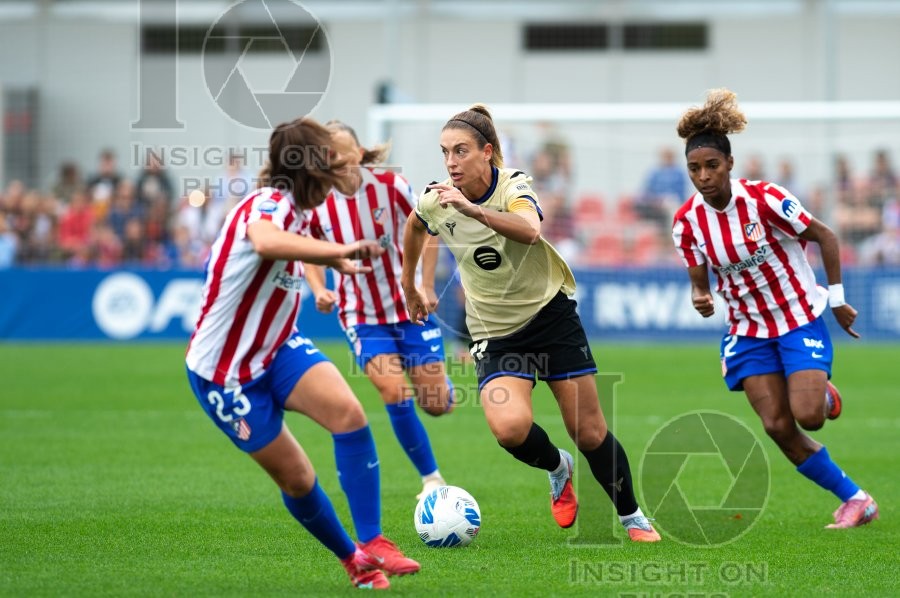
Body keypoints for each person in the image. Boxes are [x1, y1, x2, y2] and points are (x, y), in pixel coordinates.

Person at [400, 103, 661, 543]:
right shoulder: (436, 198)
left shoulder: (514, 185)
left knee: (589, 429)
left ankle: (632, 516)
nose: (450, 162)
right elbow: (415, 228)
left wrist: (473, 209)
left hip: (550, 316)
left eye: (460, 151)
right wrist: (413, 284)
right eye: (445, 152)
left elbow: (529, 230)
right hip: (494, 333)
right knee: (509, 429)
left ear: (487, 152)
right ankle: (559, 468)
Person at [185, 116, 420, 590]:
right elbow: (267, 241)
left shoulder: (302, 210)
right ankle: (352, 559)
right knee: (297, 478)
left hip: (277, 348)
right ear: (309, 171)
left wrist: (330, 258)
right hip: (226, 373)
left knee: (350, 415)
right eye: (331, 165)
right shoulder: (268, 204)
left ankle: (373, 540)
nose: (340, 177)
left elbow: (300, 242)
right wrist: (334, 253)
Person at [671, 88, 879, 530]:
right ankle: (856, 500)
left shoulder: (765, 199)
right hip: (747, 330)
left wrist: (837, 300)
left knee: (808, 417)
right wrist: (700, 296)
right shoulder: (687, 222)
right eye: (695, 169)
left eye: (712, 166)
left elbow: (826, 236)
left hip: (797, 317)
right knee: (778, 427)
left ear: (729, 165)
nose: (704, 176)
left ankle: (821, 394)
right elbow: (698, 282)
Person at [305, 120, 454, 501]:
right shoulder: (317, 202)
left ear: (358, 153)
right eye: (326, 155)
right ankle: (432, 479)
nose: (332, 160)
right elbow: (308, 251)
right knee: (393, 391)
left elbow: (429, 226)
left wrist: (426, 284)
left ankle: (443, 386)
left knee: (436, 405)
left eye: (338, 153)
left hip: (408, 307)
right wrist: (320, 289)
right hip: (362, 315)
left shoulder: (391, 187)